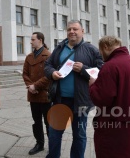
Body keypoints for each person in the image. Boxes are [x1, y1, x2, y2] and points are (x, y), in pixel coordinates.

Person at [44, 20, 103, 158]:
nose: (72, 31)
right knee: (54, 135)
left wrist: (84, 69)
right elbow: (47, 65)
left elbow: (103, 70)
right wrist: (52, 73)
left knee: (79, 136)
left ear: (82, 31)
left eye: (75, 29)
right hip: (60, 100)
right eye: (69, 29)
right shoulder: (59, 48)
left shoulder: (91, 49)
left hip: (81, 102)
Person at [89, 36, 130, 158]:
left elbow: (101, 99)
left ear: (105, 47)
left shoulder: (110, 66)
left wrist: (93, 85)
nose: (101, 55)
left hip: (114, 127)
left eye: (100, 52)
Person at [22, 32, 51, 155]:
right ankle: (39, 144)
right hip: (33, 94)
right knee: (36, 121)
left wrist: (36, 85)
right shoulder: (29, 57)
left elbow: (49, 75)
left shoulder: (49, 56)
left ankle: (53, 145)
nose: (30, 41)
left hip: (45, 95)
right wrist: (30, 86)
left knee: (49, 122)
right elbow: (25, 74)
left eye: (33, 39)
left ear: (40, 40)